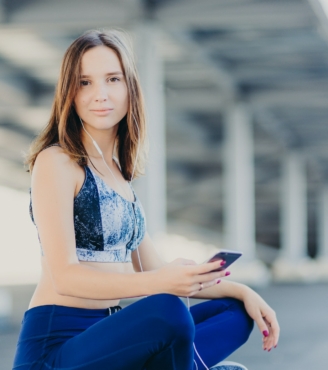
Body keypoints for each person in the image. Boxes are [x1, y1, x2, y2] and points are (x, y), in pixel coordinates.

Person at [12, 29, 279, 370]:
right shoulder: (58, 161)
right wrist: (164, 283)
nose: (101, 95)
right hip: (57, 350)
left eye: (112, 79)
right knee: (168, 310)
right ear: (69, 93)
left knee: (234, 312)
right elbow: (65, 275)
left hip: (110, 338)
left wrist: (243, 291)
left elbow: (155, 270)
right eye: (85, 83)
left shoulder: (120, 176)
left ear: (129, 88)